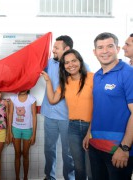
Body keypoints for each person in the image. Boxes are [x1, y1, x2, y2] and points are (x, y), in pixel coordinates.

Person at [83, 32, 133, 179]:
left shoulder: (128, 74)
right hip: (95, 146)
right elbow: (98, 108)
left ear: (117, 49)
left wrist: (124, 148)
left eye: (110, 46)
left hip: (118, 149)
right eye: (100, 47)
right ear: (94, 52)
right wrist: (89, 133)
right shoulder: (97, 75)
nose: (105, 51)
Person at [41, 49, 93, 180]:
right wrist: (48, 81)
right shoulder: (65, 82)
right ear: (63, 66)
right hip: (73, 127)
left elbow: (99, 107)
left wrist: (90, 132)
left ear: (80, 61)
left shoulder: (93, 78)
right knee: (79, 166)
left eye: (74, 61)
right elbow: (52, 100)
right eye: (67, 63)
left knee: (91, 168)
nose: (71, 65)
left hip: (90, 127)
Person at [40, 35, 75, 180]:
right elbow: (30, 67)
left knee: (68, 153)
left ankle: (70, 178)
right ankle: (50, 177)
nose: (53, 50)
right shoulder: (49, 63)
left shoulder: (78, 65)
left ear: (67, 49)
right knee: (49, 149)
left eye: (56, 48)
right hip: (49, 114)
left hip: (67, 117)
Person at [8, 90, 37, 180]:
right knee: (17, 154)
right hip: (15, 129)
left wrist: (34, 134)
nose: (23, 89)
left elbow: (34, 116)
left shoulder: (32, 99)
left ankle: (25, 177)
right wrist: (9, 132)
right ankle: (17, 177)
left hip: (28, 130)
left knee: (25, 154)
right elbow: (10, 114)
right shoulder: (13, 99)